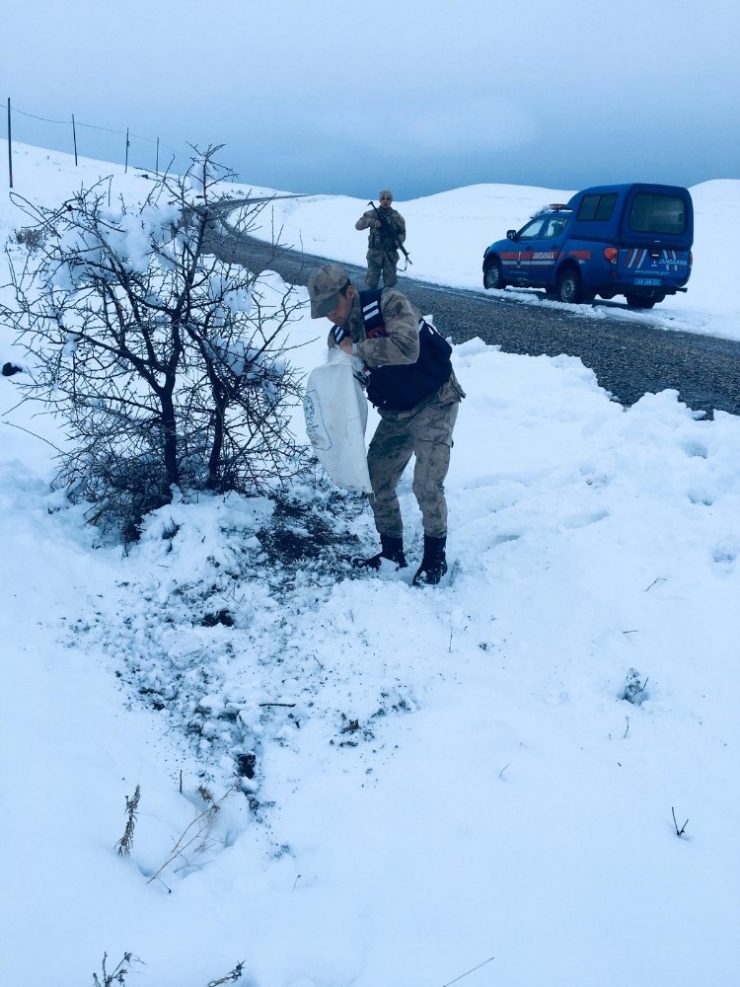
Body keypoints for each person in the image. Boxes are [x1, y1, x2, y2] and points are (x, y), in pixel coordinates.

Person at [307, 262, 465, 586]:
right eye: (321, 311)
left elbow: (408, 348)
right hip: (396, 413)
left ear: (349, 292)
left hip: (436, 401)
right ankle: (392, 552)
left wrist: (360, 349)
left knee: (426, 482)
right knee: (376, 480)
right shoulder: (338, 336)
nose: (329, 316)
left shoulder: (388, 303)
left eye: (331, 306)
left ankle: (435, 558)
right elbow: (343, 384)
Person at [355, 190, 406, 289]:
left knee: (389, 285)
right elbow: (358, 225)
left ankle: (387, 302)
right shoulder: (372, 214)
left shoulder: (396, 217)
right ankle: (371, 303)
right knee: (371, 283)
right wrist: (372, 222)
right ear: (379, 200)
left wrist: (399, 241)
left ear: (391, 200)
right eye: (383, 198)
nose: (385, 201)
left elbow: (402, 232)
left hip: (390, 255)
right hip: (374, 254)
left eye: (388, 199)